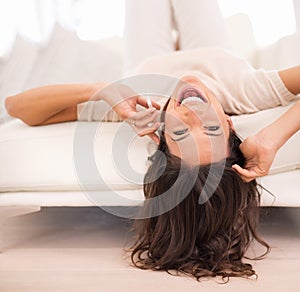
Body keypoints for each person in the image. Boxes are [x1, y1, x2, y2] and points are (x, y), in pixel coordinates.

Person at [4, 0, 300, 282]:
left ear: (159, 133)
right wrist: (272, 137)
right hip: (213, 50)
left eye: (181, 132)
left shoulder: (141, 107)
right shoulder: (247, 91)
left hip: (148, 57)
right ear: (228, 122)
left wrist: (101, 88)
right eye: (211, 129)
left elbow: (16, 107)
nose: (193, 114)